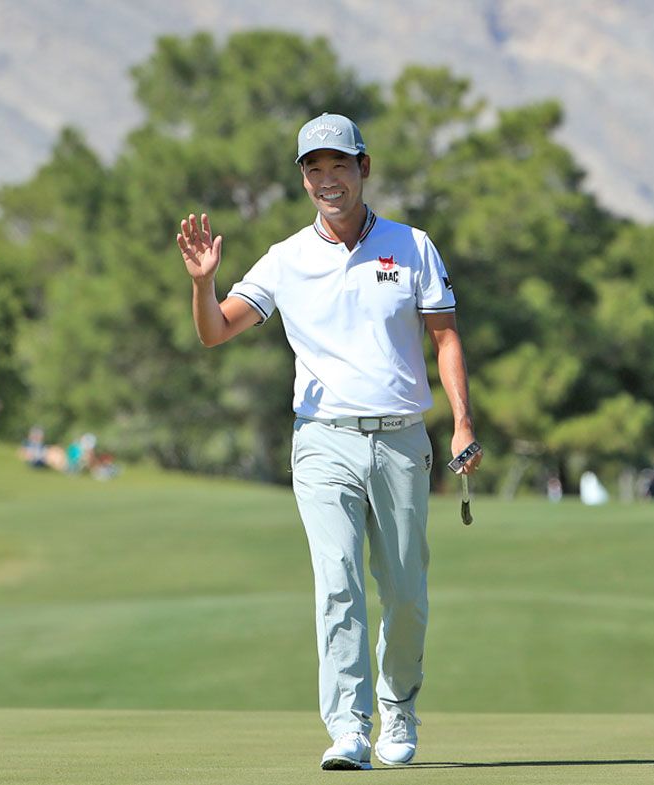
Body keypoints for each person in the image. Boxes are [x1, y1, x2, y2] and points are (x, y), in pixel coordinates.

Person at [177, 113, 481, 770]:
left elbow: (446, 337)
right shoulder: (286, 259)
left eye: (338, 165)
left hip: (401, 441)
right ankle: (348, 726)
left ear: (364, 167)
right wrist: (203, 283)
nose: (326, 179)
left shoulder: (412, 244)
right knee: (337, 583)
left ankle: (399, 709)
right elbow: (214, 332)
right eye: (313, 169)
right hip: (322, 442)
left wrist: (462, 420)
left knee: (404, 590)